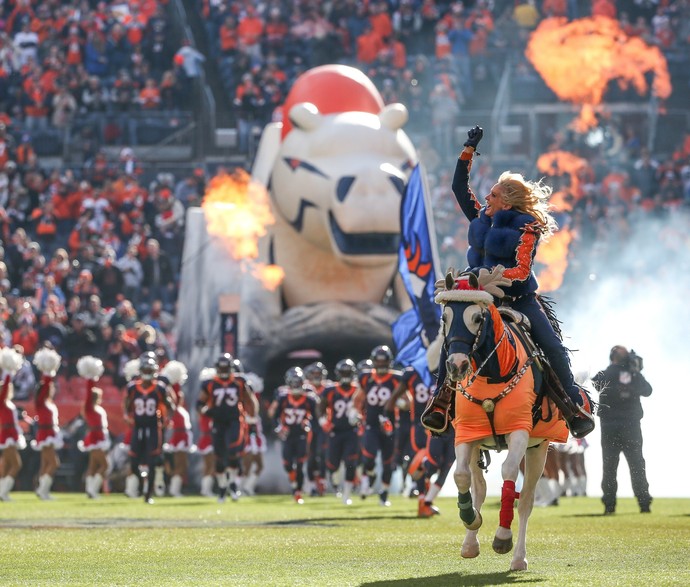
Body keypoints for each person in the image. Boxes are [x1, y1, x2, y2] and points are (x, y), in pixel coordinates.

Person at [451, 125, 595, 439]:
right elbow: (460, 189)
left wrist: (490, 281)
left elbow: (521, 271)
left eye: (494, 194)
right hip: (482, 300)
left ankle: (571, 402)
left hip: (519, 300)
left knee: (553, 346)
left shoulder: (527, 228)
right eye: (488, 194)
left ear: (508, 201)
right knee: (453, 336)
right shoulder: (481, 217)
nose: (486, 196)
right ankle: (442, 402)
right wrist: (468, 150)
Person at [591, 346, 653, 514]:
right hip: (631, 427)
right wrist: (635, 372)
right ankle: (644, 503)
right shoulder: (632, 375)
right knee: (637, 464)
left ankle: (609, 505)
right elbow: (647, 390)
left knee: (609, 466)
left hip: (609, 427)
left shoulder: (605, 374)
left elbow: (595, 383)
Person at [197, 353, 258, 503]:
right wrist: (205, 411)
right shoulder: (210, 383)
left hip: (234, 420)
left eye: (226, 367)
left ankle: (232, 484)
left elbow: (251, 400)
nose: (224, 370)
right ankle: (223, 488)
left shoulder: (239, 381)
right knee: (219, 457)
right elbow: (199, 403)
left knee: (233, 451)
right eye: (221, 367)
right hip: (218, 421)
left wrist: (252, 417)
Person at [352, 345, 402, 506]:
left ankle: (384, 494)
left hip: (390, 426)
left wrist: (400, 403)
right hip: (371, 424)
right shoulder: (366, 377)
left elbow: (408, 401)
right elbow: (357, 399)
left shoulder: (396, 378)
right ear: (374, 362)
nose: (381, 365)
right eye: (378, 361)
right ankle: (371, 475)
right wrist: (355, 412)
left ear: (389, 362)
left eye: (383, 361)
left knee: (388, 463)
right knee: (369, 457)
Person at [124, 355, 174, 504]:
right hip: (138, 426)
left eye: (149, 370)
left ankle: (148, 494)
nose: (147, 372)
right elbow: (127, 405)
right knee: (133, 462)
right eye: (145, 369)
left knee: (152, 461)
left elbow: (170, 405)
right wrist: (127, 416)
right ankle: (140, 483)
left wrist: (167, 418)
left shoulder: (159, 387)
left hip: (153, 427)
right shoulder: (133, 387)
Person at [270, 367, 319, 504]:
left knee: (300, 463)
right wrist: (278, 427)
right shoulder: (283, 397)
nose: (296, 386)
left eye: (298, 382)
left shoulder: (309, 398)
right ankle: (294, 483)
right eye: (294, 383)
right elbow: (275, 416)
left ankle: (297, 492)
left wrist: (310, 425)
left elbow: (315, 417)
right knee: (287, 464)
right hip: (288, 434)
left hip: (302, 434)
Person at [319, 358, 360, 505]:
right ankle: (335, 481)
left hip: (352, 431)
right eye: (343, 372)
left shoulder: (358, 389)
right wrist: (322, 420)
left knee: (351, 461)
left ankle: (346, 495)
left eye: (348, 372)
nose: (345, 375)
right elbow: (321, 407)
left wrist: (360, 417)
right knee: (332, 464)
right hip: (335, 431)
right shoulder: (330, 390)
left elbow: (366, 406)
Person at [76, 355, 110, 499]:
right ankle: (93, 490)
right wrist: (90, 379)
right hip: (95, 438)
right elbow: (89, 393)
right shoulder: (90, 408)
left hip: (98, 437)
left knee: (93, 466)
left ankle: (90, 491)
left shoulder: (97, 409)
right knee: (105, 466)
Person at [161, 360, 192, 498]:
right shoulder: (174, 411)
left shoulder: (179, 410)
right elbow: (174, 397)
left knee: (182, 465)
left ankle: (173, 488)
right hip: (178, 436)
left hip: (181, 436)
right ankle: (173, 489)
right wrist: (175, 386)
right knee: (181, 465)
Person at [0, 347, 27, 501]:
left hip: (10, 434)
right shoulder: (2, 402)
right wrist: (8, 372)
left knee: (7, 464)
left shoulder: (7, 403)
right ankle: (3, 493)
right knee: (16, 464)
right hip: (8, 434)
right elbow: (5, 388)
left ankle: (2, 492)